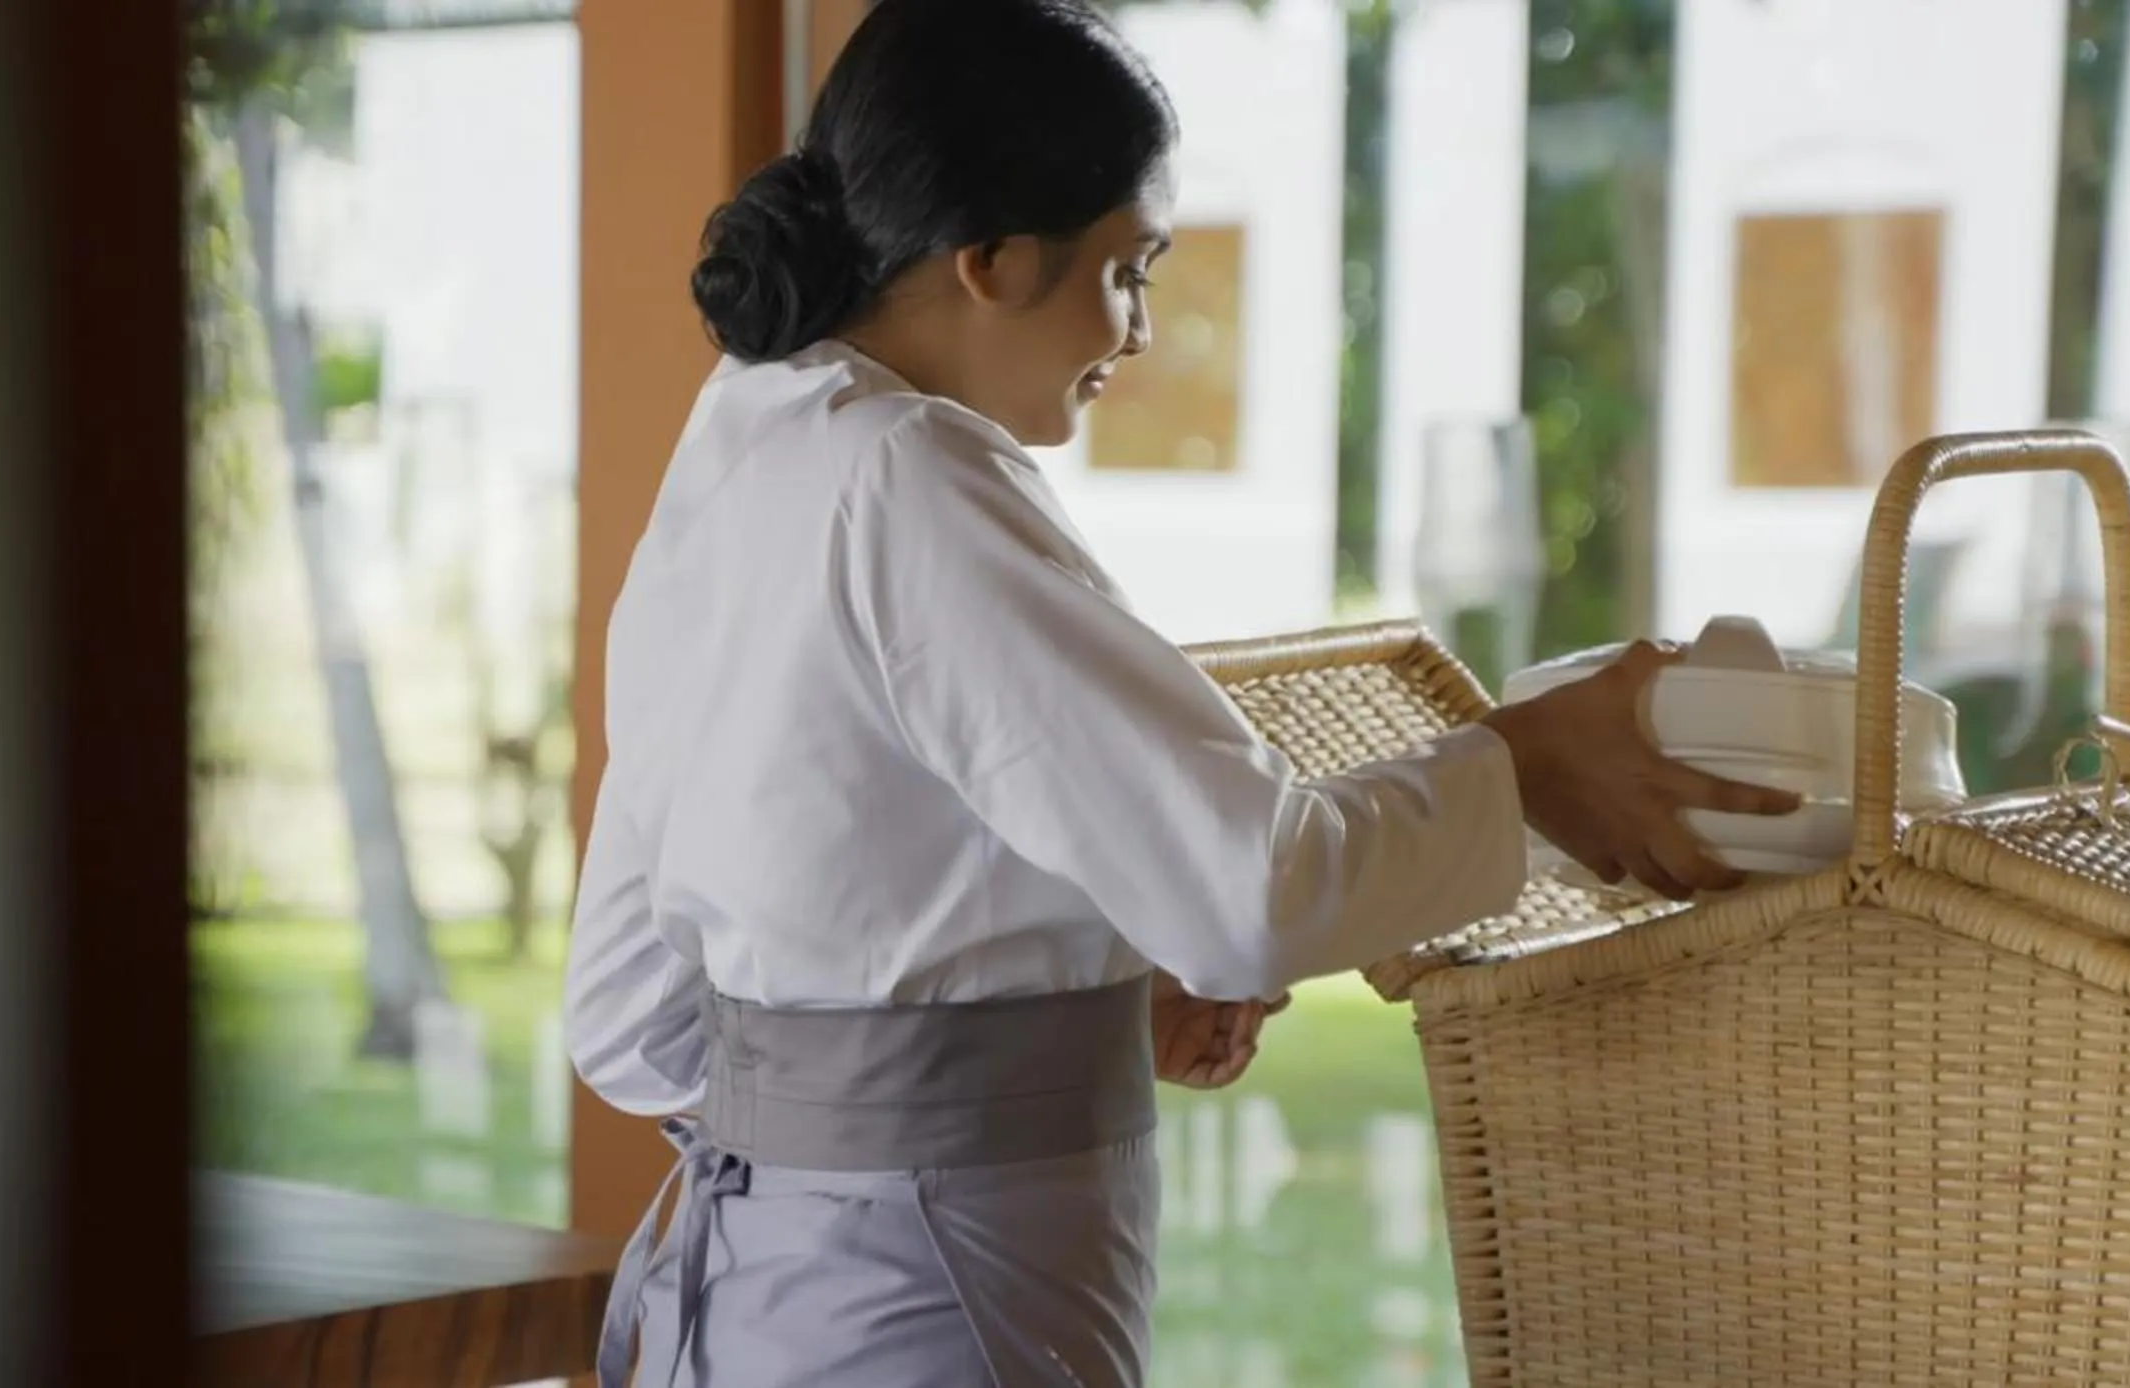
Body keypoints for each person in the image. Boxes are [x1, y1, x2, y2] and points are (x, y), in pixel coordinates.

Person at [564, 2, 1798, 1384]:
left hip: (744, 1308)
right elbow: (1250, 894)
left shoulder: (747, 437)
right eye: (1128, 268)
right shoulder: (912, 477)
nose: (1141, 329)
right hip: (924, 1305)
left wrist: (1054, 1005)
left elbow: (629, 1017)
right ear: (992, 259)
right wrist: (1532, 769)